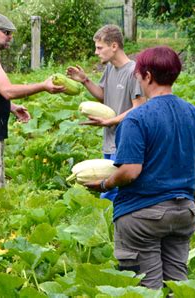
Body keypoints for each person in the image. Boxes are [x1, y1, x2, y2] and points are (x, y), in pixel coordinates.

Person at [85, 46, 195, 289]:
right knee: (177, 286)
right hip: (183, 211)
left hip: (142, 215)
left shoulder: (137, 118)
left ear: (148, 76)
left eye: (138, 74)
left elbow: (130, 171)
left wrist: (104, 184)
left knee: (146, 289)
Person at [0, 13, 64, 206]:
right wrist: (43, 86)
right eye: (7, 32)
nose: (10, 37)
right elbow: (8, 90)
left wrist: (11, 107)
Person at [66, 24, 144, 201]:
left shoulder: (134, 72)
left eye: (99, 47)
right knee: (111, 189)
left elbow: (139, 107)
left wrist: (111, 121)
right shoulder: (110, 68)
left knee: (113, 191)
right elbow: (104, 96)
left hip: (126, 142)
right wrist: (85, 80)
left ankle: (110, 225)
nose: (96, 52)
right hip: (109, 140)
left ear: (114, 46)